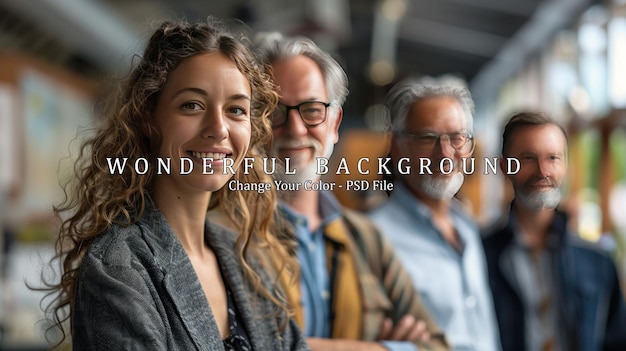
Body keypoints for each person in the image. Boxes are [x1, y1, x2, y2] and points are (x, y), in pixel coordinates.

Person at [42, 20, 309, 350]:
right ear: (148, 117)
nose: (218, 128)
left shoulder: (244, 260)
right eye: (192, 105)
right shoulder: (118, 270)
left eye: (236, 110)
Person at [253, 33, 448, 351]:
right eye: (274, 110)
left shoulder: (368, 240)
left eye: (312, 110)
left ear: (334, 123)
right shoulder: (227, 235)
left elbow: (437, 346)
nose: (294, 129)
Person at [368, 79, 501, 351]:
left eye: (457, 138)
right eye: (427, 138)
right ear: (396, 147)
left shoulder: (466, 227)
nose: (444, 154)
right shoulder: (373, 236)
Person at [482, 111, 626, 351]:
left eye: (553, 158)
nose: (543, 171)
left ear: (565, 165)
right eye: (528, 158)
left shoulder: (599, 260)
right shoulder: (478, 256)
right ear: (504, 167)